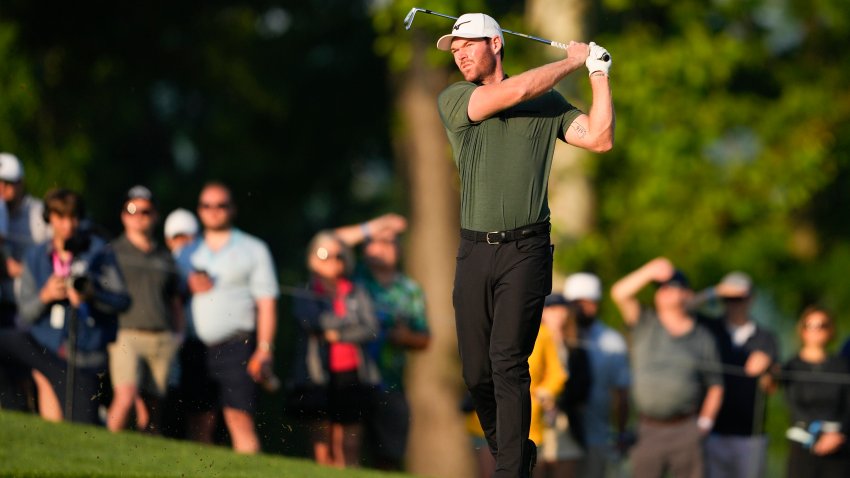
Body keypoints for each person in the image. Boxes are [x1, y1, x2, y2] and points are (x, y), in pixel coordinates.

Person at [435, 12, 614, 478]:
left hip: (527, 250)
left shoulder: (548, 104)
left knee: (507, 360)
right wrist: (571, 62)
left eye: (467, 45)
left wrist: (598, 74)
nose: (459, 54)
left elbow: (599, 139)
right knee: (476, 373)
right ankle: (513, 454)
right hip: (475, 251)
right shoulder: (457, 99)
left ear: (496, 43)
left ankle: (510, 471)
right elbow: (513, 93)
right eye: (454, 49)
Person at [0, 188, 130, 423]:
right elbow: (26, 314)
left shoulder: (99, 252)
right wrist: (45, 295)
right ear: (50, 219)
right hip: (46, 346)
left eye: (73, 218)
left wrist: (93, 295)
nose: (67, 225)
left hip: (85, 353)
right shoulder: (36, 256)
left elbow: (122, 300)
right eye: (61, 218)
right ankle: (14, 409)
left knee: (80, 425)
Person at [176, 182, 279, 454]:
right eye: (207, 205)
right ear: (199, 210)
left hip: (238, 346)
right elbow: (171, 297)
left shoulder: (254, 249)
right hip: (195, 347)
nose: (214, 211)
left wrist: (265, 349)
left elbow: (267, 303)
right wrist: (188, 286)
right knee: (199, 423)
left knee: (239, 419)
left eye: (221, 205)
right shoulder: (185, 252)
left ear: (232, 209)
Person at [611, 258, 724, 478]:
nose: (662, 292)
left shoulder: (703, 336)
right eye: (660, 288)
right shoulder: (644, 322)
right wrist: (649, 271)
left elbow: (716, 386)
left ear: (686, 294)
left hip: (686, 430)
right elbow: (619, 293)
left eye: (670, 287)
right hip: (647, 430)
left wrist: (704, 424)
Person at [334, 213, 431, 471]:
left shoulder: (410, 290)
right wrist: (374, 226)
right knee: (345, 453)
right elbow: (330, 242)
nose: (383, 247)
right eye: (376, 241)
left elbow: (424, 339)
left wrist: (404, 337)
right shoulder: (352, 279)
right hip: (349, 378)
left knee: (388, 458)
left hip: (391, 385)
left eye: (390, 241)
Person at [289, 231, 380, 467]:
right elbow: (311, 322)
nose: (332, 261)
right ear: (312, 259)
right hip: (317, 374)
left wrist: (337, 334)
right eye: (324, 255)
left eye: (337, 255)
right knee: (322, 445)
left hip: (352, 373)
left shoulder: (356, 290)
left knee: (348, 445)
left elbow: (371, 328)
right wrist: (349, 321)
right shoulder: (306, 290)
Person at [106, 186, 183, 433]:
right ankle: (102, 451)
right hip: (125, 334)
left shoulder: (165, 256)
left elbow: (175, 299)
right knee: (126, 396)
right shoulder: (113, 252)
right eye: (132, 210)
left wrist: (178, 334)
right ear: (123, 216)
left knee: (152, 408)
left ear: (155, 216)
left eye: (146, 211)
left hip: (161, 337)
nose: (139, 215)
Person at [689, 271, 778, 478]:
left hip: (750, 436)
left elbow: (772, 388)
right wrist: (716, 291)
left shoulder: (766, 338)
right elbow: (683, 309)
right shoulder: (709, 329)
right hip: (712, 432)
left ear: (751, 298)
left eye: (740, 298)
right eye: (729, 299)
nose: (734, 303)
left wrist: (768, 369)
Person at [563, 272, 631, 478]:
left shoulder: (612, 341)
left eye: (588, 302)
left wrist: (620, 434)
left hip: (596, 436)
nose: (582, 308)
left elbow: (622, 394)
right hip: (560, 436)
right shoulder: (551, 337)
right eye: (577, 302)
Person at [783, 306, 850, 478]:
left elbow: (847, 405)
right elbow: (793, 405)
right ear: (802, 330)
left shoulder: (841, 366)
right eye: (810, 325)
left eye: (822, 325)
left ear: (830, 330)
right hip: (803, 445)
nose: (815, 331)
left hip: (837, 443)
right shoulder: (792, 366)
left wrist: (837, 434)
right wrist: (818, 434)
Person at [535, 293, 584, 478]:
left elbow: (580, 385)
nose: (558, 314)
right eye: (552, 309)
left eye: (562, 309)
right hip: (535, 417)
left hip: (564, 419)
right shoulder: (530, 340)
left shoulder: (573, 345)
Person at [0, 152, 49, 328]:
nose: (2, 187)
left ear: (21, 183)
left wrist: (24, 269)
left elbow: (53, 254)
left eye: (8, 183)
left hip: (29, 305)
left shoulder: (39, 213)